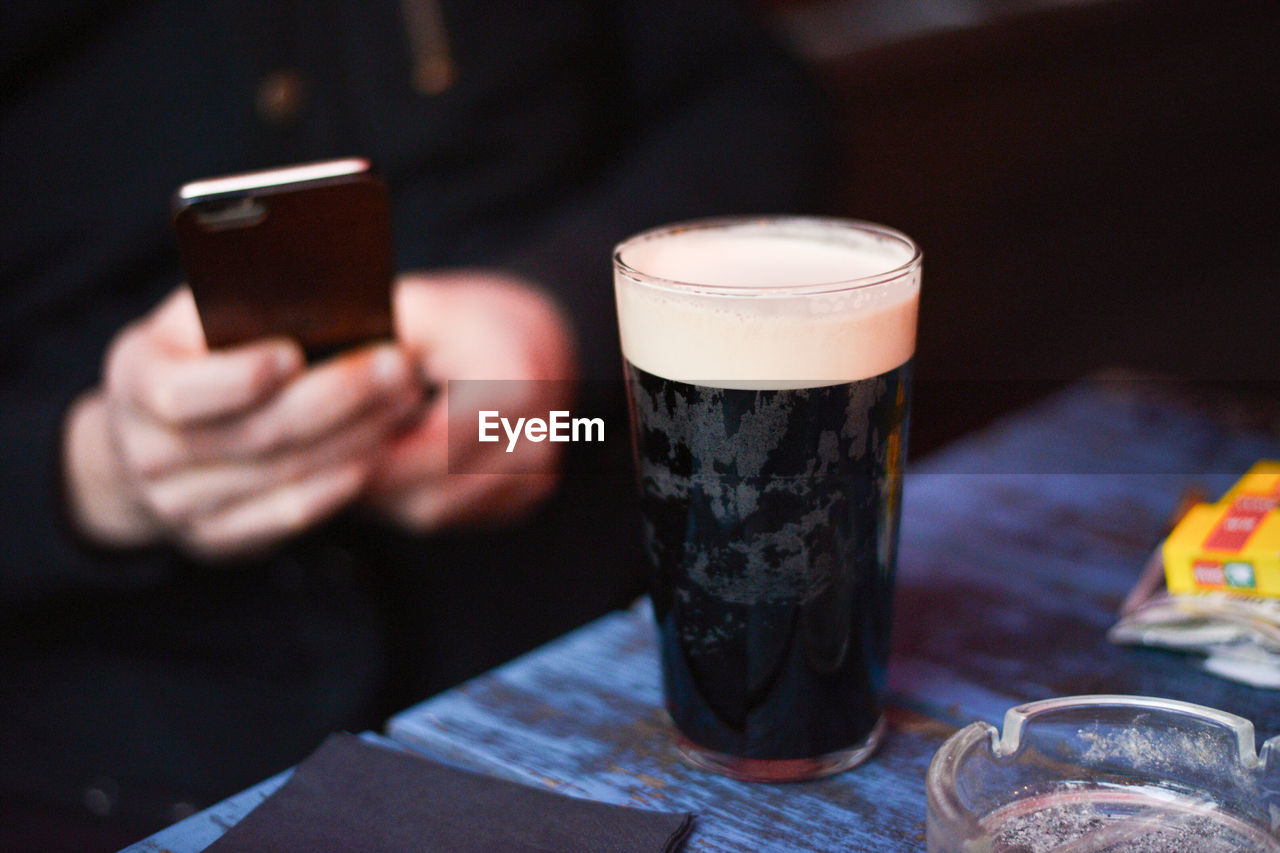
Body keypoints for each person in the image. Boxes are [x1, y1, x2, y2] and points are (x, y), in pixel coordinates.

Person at [0, 0, 829, 846]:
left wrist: (558, 318)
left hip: (618, 624)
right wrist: (86, 474)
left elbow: (754, 102)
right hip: (115, 754)